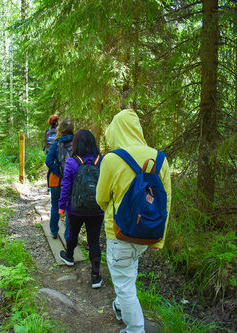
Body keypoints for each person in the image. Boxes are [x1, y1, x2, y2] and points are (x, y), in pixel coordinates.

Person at [96, 109, 172, 333]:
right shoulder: (160, 159)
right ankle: (121, 307)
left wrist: (111, 211)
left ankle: (135, 329)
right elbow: (166, 204)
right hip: (148, 233)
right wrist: (160, 240)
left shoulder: (112, 159)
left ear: (117, 130)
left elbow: (101, 198)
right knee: (129, 273)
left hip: (119, 233)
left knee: (124, 283)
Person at [57, 129, 104, 289]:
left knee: (73, 233)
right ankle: (96, 277)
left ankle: (69, 256)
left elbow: (66, 186)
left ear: (76, 144)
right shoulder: (101, 161)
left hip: (75, 208)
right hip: (97, 209)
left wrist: (61, 207)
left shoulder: (72, 162)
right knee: (94, 241)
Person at [45, 120, 74, 240]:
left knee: (55, 205)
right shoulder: (76, 142)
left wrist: (58, 171)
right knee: (69, 206)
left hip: (56, 180)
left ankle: (54, 231)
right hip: (72, 179)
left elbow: (48, 161)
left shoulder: (55, 143)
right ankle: (68, 235)